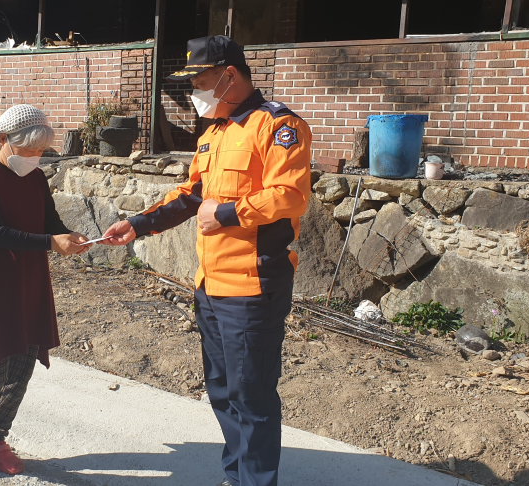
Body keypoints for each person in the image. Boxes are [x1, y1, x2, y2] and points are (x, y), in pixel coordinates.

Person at [100, 36, 312, 486]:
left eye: (200, 80)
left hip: (253, 286)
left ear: (229, 75)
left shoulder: (277, 125)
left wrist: (228, 213)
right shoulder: (213, 132)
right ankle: (237, 476)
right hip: (210, 284)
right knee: (222, 391)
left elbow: (290, 195)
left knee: (251, 395)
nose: (194, 90)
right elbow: (191, 195)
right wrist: (138, 224)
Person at [0, 104, 92, 482]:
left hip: (28, 279)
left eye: (41, 152)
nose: (35, 159)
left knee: (23, 365)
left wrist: (69, 235)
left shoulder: (34, 177)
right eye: (29, 151)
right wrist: (51, 241)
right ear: (2, 140)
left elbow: (49, 220)